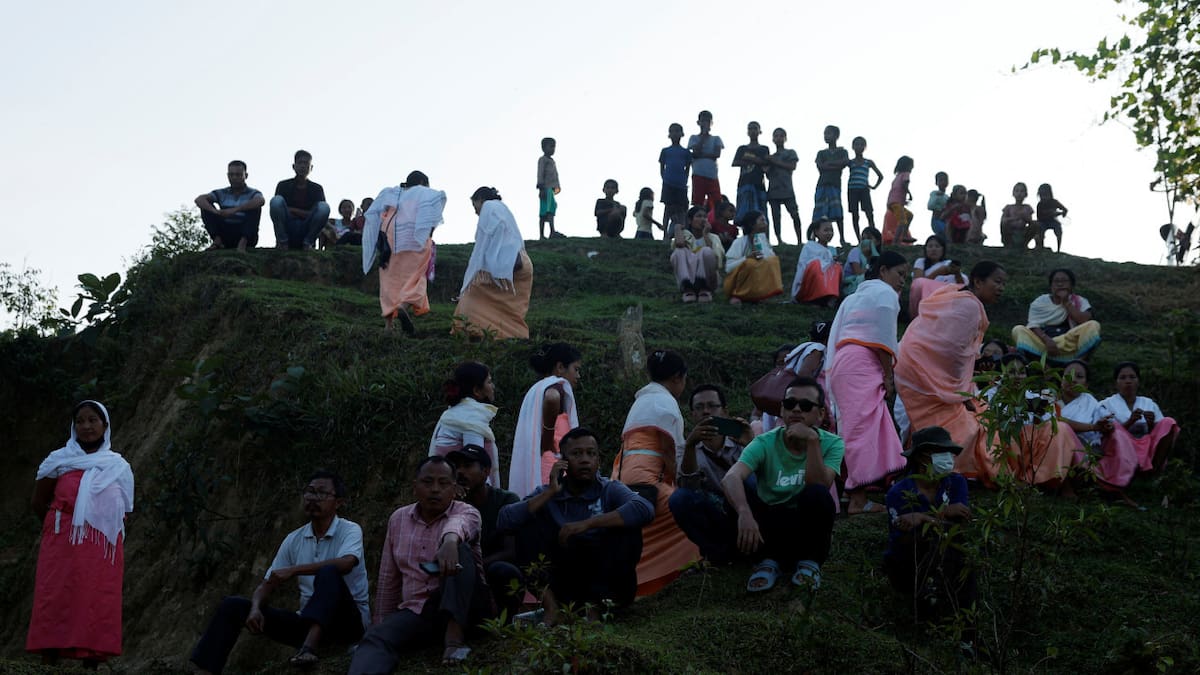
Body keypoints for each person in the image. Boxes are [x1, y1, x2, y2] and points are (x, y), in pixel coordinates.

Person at [190, 471, 370, 673]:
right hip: (306, 621)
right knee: (232, 606)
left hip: (348, 624)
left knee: (328, 572)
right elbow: (269, 582)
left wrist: (294, 570)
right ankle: (205, 670)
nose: (312, 498)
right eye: (309, 492)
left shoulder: (350, 530)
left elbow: (346, 563)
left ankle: (309, 648)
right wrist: (256, 607)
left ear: (338, 502)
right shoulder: (294, 539)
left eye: (321, 493)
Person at [349, 456, 493, 671]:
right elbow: (389, 578)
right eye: (427, 482)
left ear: (454, 488)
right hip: (418, 611)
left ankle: (454, 639)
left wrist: (450, 540)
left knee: (460, 550)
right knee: (376, 638)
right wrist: (381, 624)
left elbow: (461, 523)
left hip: (467, 610)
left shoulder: (466, 511)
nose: (435, 489)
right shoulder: (398, 519)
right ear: (415, 486)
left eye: (443, 483)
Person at [499, 427, 654, 624]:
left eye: (591, 453)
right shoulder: (547, 493)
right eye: (576, 453)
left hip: (606, 582)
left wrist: (586, 524)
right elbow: (505, 520)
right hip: (563, 581)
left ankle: (595, 611)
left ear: (598, 460)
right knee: (525, 523)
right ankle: (551, 608)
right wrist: (550, 493)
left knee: (627, 526)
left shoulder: (610, 489)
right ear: (562, 462)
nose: (584, 460)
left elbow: (645, 509)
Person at [27, 401, 134, 668]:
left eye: (93, 420)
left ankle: (91, 665)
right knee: (55, 597)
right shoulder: (59, 460)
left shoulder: (118, 467)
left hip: (101, 549)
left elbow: (124, 510)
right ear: (74, 427)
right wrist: (61, 526)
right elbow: (39, 502)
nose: (86, 426)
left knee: (95, 599)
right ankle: (48, 662)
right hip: (61, 544)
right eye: (81, 421)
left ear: (105, 426)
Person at [722, 377, 841, 595]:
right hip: (771, 525)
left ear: (821, 414)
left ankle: (809, 561)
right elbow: (731, 477)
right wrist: (744, 512)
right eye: (790, 403)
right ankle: (766, 561)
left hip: (807, 527)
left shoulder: (832, 443)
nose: (796, 409)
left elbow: (821, 484)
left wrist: (812, 442)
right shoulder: (764, 442)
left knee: (818, 495)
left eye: (805, 406)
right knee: (736, 495)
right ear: (782, 410)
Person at [895, 262, 1008, 480]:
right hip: (925, 374)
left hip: (913, 363)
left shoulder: (955, 292)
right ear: (977, 281)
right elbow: (953, 354)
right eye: (997, 281)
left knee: (972, 413)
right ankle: (954, 469)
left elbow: (953, 349)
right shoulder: (970, 307)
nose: (1001, 288)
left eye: (1004, 283)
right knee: (965, 423)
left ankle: (921, 461)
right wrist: (961, 394)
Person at [612, 349, 701, 595]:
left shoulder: (641, 400)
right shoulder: (665, 402)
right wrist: (680, 482)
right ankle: (670, 574)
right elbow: (668, 450)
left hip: (621, 475)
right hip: (649, 478)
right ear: (677, 378)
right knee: (690, 514)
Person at [827, 251, 908, 514]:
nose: (903, 281)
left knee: (859, 429)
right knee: (859, 432)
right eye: (900, 274)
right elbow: (882, 340)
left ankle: (857, 494)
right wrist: (888, 376)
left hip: (845, 362)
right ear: (883, 271)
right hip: (861, 364)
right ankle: (859, 499)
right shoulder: (885, 295)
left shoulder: (854, 296)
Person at [883, 426, 977, 636]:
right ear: (923, 457)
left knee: (955, 549)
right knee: (926, 538)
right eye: (941, 452)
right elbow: (902, 534)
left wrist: (924, 517)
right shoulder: (899, 492)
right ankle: (930, 619)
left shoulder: (956, 483)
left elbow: (959, 523)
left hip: (949, 557)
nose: (949, 458)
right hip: (909, 563)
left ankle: (966, 634)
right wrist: (941, 515)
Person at [669, 385, 752, 564]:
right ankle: (719, 554)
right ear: (692, 415)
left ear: (725, 411)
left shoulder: (742, 438)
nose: (706, 412)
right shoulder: (685, 449)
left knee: (750, 481)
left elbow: (766, 480)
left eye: (712, 406)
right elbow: (688, 489)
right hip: (718, 516)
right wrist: (691, 446)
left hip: (748, 512)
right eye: (699, 408)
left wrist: (751, 444)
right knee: (679, 499)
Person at [361, 171, 446, 334]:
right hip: (416, 241)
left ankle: (388, 326)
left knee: (389, 281)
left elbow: (376, 214)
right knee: (416, 279)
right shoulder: (426, 193)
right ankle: (403, 306)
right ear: (422, 182)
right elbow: (433, 216)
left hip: (391, 241)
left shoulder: (392, 193)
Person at [980, 354, 1081, 491]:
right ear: (999, 375)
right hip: (1006, 448)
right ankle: (1006, 480)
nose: (1017, 376)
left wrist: (1039, 414)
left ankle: (1036, 479)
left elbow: (1048, 421)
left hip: (1031, 448)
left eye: (1021, 372)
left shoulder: (1035, 396)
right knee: (987, 432)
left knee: (1060, 428)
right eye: (1011, 372)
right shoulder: (989, 395)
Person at [448, 446, 522, 621]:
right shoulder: (450, 503)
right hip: (457, 574)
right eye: (456, 466)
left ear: (486, 471)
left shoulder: (506, 501)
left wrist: (474, 566)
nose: (460, 472)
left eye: (467, 466)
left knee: (504, 571)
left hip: (491, 570)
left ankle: (506, 625)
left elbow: (510, 552)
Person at [452, 187, 532, 340]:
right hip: (517, 261)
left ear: (480, 199)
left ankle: (478, 331)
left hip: (510, 263)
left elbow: (498, 231)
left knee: (471, 299)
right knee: (503, 304)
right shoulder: (501, 208)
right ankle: (507, 334)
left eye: (474, 205)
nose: (475, 212)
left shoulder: (490, 207)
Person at [509, 342, 583, 499]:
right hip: (551, 461)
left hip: (543, 460)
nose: (578, 376)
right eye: (575, 369)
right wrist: (548, 439)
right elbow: (552, 397)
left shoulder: (536, 388)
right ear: (560, 367)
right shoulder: (558, 386)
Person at [1058, 360, 1138, 499]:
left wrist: (1105, 426)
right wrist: (1092, 427)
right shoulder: (1049, 398)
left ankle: (1117, 484)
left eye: (1079, 376)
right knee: (1060, 429)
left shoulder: (1092, 403)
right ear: (1060, 380)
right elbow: (1057, 420)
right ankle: (1066, 487)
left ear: (1086, 384)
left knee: (1117, 433)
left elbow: (1104, 423)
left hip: (1087, 453)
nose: (1073, 379)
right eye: (1068, 375)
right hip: (1057, 451)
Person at [1099, 361, 1180, 475]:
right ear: (1115, 383)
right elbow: (1107, 433)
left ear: (1138, 381)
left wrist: (1151, 423)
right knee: (1115, 430)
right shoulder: (1105, 404)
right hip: (1122, 448)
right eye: (1122, 378)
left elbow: (1158, 433)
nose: (1128, 381)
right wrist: (1130, 422)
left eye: (1132, 377)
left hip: (1146, 446)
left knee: (1168, 422)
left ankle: (1155, 468)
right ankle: (1125, 470)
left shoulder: (1148, 403)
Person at [429, 362, 501, 488]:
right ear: (477, 390)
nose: (493, 386)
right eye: (489, 382)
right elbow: (474, 462)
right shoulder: (470, 417)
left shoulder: (454, 412)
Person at [1011, 268, 1102, 364]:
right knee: (1018, 329)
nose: (1060, 284)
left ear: (1071, 285)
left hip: (1069, 343)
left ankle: (1079, 363)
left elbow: (1084, 320)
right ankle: (1044, 367)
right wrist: (1047, 340)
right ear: (1051, 286)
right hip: (1044, 343)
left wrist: (1066, 302)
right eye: (1056, 281)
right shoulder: (1040, 301)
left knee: (1093, 325)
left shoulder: (1079, 301)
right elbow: (1033, 325)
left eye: (1064, 281)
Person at [196, 160, 265, 252]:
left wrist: (234, 210)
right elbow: (199, 199)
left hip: (246, 233)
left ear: (246, 176)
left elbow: (260, 201)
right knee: (206, 207)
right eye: (231, 175)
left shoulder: (253, 193)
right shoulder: (221, 193)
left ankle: (242, 243)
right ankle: (217, 241)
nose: (234, 178)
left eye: (238, 175)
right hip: (225, 232)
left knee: (255, 208)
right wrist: (215, 211)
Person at [269, 149, 330, 250]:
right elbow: (278, 211)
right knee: (276, 201)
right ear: (294, 166)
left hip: (307, 227)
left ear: (311, 167)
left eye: (306, 163)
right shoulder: (283, 185)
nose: (303, 166)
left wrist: (292, 210)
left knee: (324, 207)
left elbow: (319, 215)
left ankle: (308, 243)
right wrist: (305, 213)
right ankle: (282, 242)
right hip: (288, 226)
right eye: (300, 163)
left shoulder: (317, 189)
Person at [723, 210, 783, 304]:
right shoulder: (739, 242)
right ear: (752, 224)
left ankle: (759, 293)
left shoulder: (763, 241)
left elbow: (767, 260)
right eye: (762, 220)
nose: (765, 223)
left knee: (772, 260)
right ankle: (737, 294)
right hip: (735, 282)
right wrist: (747, 258)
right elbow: (728, 268)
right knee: (750, 263)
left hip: (756, 281)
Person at [671, 205, 725, 303]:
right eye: (699, 216)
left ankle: (704, 289)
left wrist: (705, 234)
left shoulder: (713, 238)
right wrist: (677, 229)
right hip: (689, 278)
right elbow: (679, 244)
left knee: (706, 251)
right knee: (679, 252)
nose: (703, 220)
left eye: (705, 217)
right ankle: (688, 289)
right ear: (690, 221)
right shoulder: (685, 236)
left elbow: (715, 259)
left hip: (709, 280)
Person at [908, 234, 965, 317]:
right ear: (926, 249)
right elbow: (918, 283)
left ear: (943, 249)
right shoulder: (921, 262)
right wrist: (938, 272)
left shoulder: (948, 264)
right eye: (930, 246)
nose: (933, 249)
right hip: (923, 300)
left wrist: (957, 273)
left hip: (944, 299)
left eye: (937, 246)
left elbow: (962, 286)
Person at [813, 125, 850, 245]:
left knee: (837, 212)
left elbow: (844, 163)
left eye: (829, 133)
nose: (826, 136)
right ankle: (813, 237)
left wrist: (829, 164)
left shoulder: (842, 151)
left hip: (835, 185)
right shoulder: (821, 153)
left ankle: (842, 238)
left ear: (836, 136)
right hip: (822, 184)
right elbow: (821, 166)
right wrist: (834, 165)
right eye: (825, 134)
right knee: (819, 212)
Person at [790, 219, 842, 307]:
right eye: (826, 230)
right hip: (809, 280)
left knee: (837, 267)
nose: (829, 233)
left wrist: (833, 262)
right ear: (816, 232)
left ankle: (830, 297)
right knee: (816, 265)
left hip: (825, 278)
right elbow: (804, 265)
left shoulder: (832, 249)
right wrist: (826, 262)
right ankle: (813, 297)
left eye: (831, 230)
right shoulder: (809, 246)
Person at [765, 127, 801, 245]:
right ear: (773, 139)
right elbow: (768, 175)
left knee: (794, 214)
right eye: (776, 136)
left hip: (787, 188)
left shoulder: (790, 153)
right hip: (774, 189)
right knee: (776, 216)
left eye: (781, 136)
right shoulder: (770, 156)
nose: (778, 138)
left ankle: (799, 240)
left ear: (785, 138)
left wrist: (773, 162)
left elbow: (792, 166)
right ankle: (779, 239)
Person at [733, 121, 770, 227]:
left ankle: (763, 238)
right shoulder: (742, 148)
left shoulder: (764, 149)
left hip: (759, 183)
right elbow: (735, 162)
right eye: (750, 129)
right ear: (747, 132)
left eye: (755, 129)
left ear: (759, 131)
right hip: (745, 183)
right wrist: (754, 161)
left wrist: (751, 158)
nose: (753, 131)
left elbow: (766, 162)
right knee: (745, 211)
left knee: (761, 211)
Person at [659, 123, 693, 239]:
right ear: (669, 134)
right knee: (668, 209)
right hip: (668, 183)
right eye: (672, 131)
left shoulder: (686, 152)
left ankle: (683, 234)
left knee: (682, 209)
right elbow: (662, 167)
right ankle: (665, 235)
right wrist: (665, 178)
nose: (675, 134)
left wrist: (684, 180)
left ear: (682, 134)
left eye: (677, 131)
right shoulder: (665, 151)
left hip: (681, 185)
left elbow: (688, 167)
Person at [846, 136, 884, 240]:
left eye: (861, 144)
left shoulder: (868, 162)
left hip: (864, 189)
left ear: (865, 147)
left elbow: (880, 176)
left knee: (869, 213)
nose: (859, 146)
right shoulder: (850, 162)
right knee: (855, 214)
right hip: (852, 190)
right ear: (853, 147)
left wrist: (874, 186)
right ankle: (858, 239)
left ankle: (874, 237)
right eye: (857, 144)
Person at [688, 110, 724, 212]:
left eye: (707, 121)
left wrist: (701, 155)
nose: (705, 124)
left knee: (717, 201)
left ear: (711, 123)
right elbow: (695, 152)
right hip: (698, 174)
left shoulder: (716, 139)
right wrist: (703, 137)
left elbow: (716, 154)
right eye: (703, 121)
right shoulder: (694, 138)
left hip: (712, 175)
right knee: (698, 202)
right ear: (698, 122)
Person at [882, 156, 915, 245]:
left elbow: (896, 190)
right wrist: (909, 194)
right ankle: (895, 241)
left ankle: (904, 234)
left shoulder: (897, 176)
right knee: (902, 221)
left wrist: (903, 201)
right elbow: (905, 184)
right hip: (896, 203)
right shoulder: (906, 174)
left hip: (892, 202)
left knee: (909, 215)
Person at [842, 226, 882, 296]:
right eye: (863, 239)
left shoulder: (878, 256)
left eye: (869, 238)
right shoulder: (855, 252)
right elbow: (858, 272)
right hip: (852, 283)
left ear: (878, 242)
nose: (865, 241)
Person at [536, 137, 560, 240]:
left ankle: (551, 232)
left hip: (551, 189)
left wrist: (557, 188)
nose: (553, 149)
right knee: (546, 212)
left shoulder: (551, 161)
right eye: (550, 146)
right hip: (546, 189)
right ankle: (547, 233)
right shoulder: (543, 160)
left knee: (551, 209)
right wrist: (541, 187)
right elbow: (540, 173)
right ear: (543, 148)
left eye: (554, 147)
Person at [1000, 182, 1035, 249]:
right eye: (1017, 191)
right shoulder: (1008, 207)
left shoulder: (1027, 207)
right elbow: (1003, 220)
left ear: (1026, 194)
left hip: (1022, 231)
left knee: (1036, 224)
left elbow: (1030, 222)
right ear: (1013, 193)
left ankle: (1025, 243)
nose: (1019, 193)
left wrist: (1024, 217)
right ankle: (1007, 243)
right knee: (1004, 224)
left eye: (1022, 191)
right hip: (1010, 231)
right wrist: (1014, 218)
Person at [1035, 183, 1068, 252]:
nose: (1044, 197)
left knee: (1058, 229)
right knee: (1039, 228)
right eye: (1042, 195)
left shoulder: (1054, 202)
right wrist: (1051, 213)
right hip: (1042, 222)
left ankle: (1058, 249)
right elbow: (1039, 217)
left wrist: (1062, 213)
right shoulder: (1040, 205)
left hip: (1052, 221)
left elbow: (1065, 209)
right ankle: (1040, 246)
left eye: (1045, 195)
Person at [927, 171, 949, 237]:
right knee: (943, 232)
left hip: (945, 220)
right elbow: (930, 206)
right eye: (941, 180)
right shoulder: (934, 193)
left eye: (945, 180)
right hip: (936, 219)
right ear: (936, 183)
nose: (943, 182)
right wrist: (937, 197)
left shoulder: (947, 197)